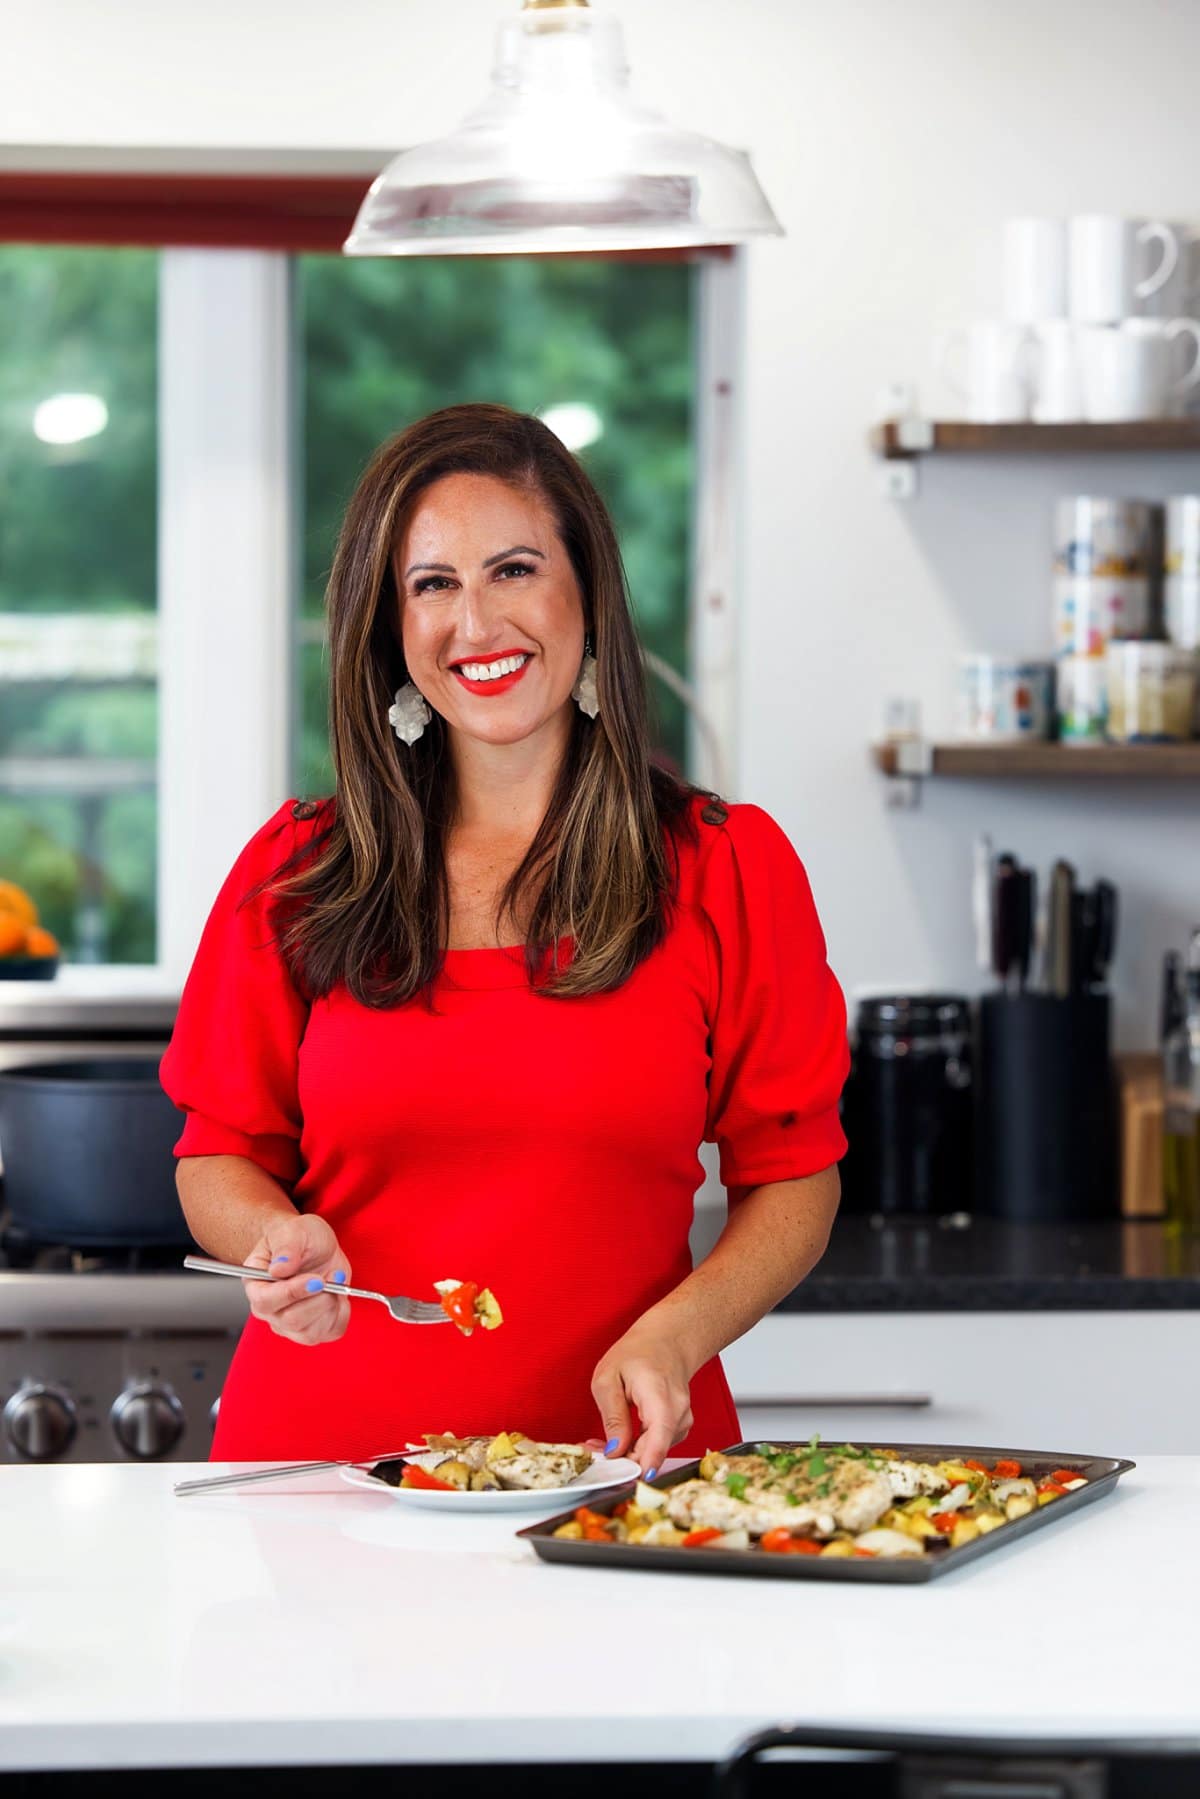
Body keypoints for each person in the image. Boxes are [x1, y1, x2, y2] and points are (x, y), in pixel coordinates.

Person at [160, 402, 848, 1474]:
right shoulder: (296, 872)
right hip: (321, 1486)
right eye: (432, 583)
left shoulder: (727, 866)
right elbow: (220, 1153)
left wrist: (682, 1329)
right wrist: (271, 1240)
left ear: (586, 592)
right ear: (390, 624)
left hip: (625, 1477)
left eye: (514, 570)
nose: (474, 623)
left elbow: (796, 1177)